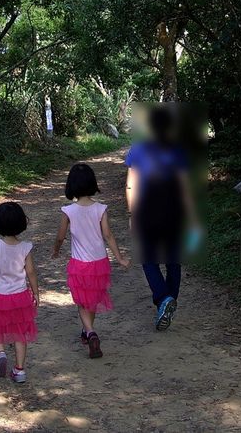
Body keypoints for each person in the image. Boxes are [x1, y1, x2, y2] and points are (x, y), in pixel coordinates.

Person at [125, 105, 198, 331]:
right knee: (173, 260)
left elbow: (131, 184)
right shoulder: (178, 151)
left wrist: (132, 213)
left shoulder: (138, 150)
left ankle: (163, 298)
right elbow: (184, 187)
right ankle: (169, 300)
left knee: (149, 259)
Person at [52, 163, 130, 359]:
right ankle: (88, 330)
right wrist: (119, 258)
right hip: (99, 262)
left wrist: (56, 250)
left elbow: (60, 236)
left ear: (70, 186)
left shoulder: (68, 211)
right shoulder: (101, 208)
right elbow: (108, 235)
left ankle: (91, 332)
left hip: (79, 263)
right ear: (93, 184)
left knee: (81, 301)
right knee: (92, 300)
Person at [0, 201, 39, 383]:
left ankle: (1, 352)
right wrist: (36, 292)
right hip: (20, 297)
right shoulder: (25, 247)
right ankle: (19, 371)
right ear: (21, 223)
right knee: (20, 334)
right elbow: (31, 272)